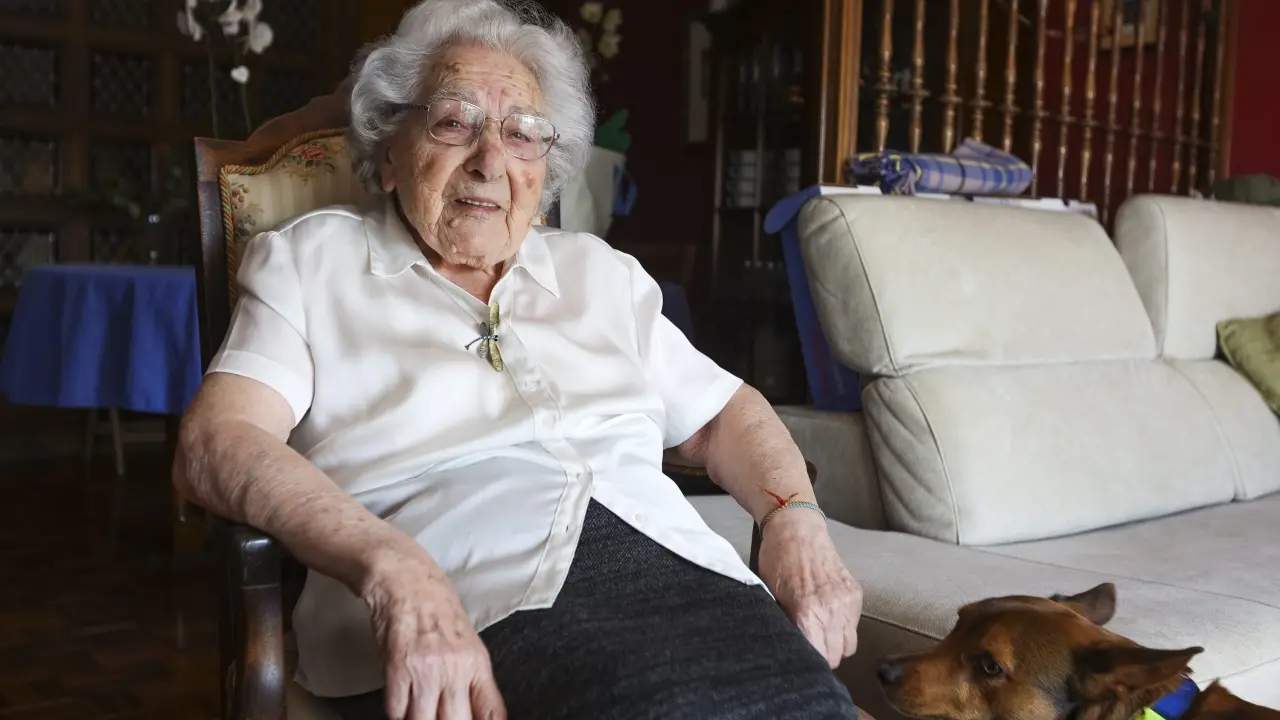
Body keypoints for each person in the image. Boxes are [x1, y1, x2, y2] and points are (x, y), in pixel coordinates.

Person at [173, 0, 866, 718]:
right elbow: (217, 440)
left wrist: (795, 519)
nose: (490, 162)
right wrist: (394, 567)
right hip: (468, 598)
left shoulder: (601, 273)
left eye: (521, 133)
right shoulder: (311, 264)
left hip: (688, 574)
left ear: (545, 171)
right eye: (454, 123)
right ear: (388, 151)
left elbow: (724, 414)